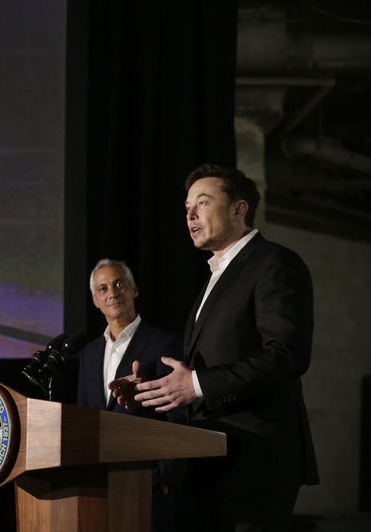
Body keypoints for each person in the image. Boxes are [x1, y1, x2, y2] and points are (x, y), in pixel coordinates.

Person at [126, 163, 319, 531]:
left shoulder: (275, 263)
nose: (190, 214)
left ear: (238, 208)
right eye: (186, 208)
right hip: (209, 463)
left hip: (255, 465)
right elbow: (211, 365)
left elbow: (287, 354)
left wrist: (196, 384)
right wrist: (155, 389)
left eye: (202, 202)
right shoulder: (215, 277)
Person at [77, 258, 185, 532]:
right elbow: (85, 417)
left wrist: (164, 478)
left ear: (134, 289)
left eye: (119, 284)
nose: (112, 293)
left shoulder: (164, 343)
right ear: (95, 300)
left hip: (147, 485)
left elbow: (177, 415)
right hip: (100, 485)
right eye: (103, 289)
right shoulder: (88, 354)